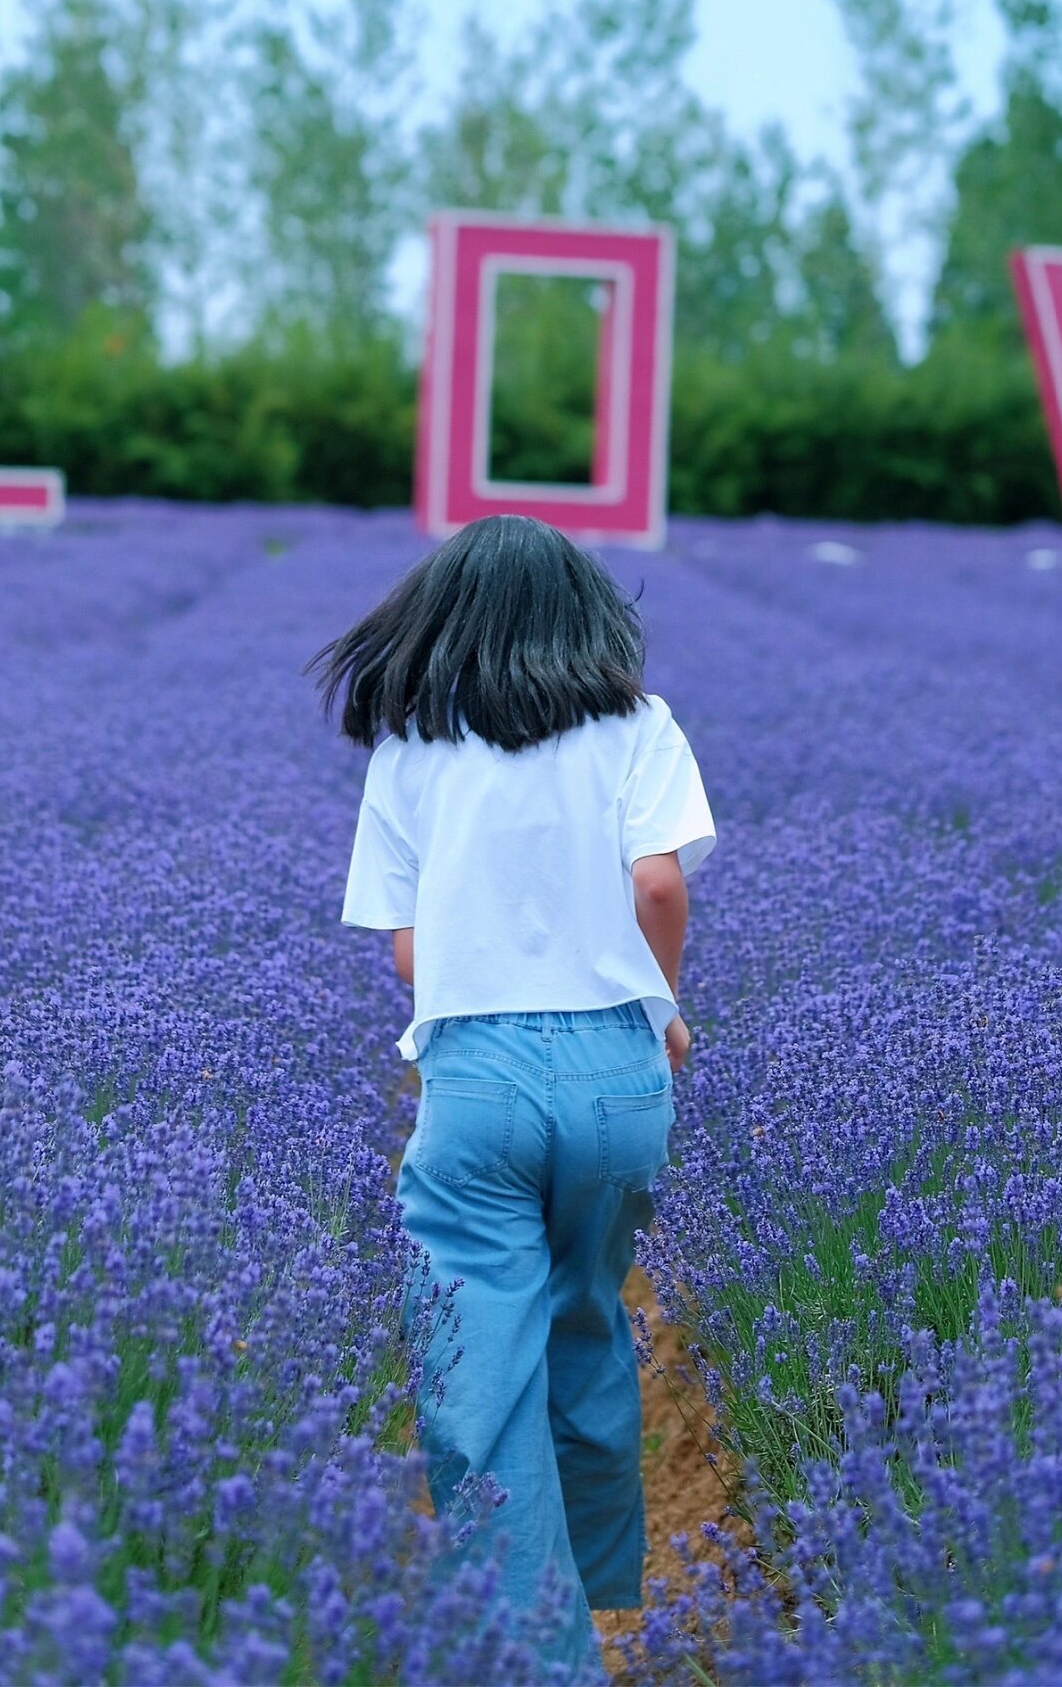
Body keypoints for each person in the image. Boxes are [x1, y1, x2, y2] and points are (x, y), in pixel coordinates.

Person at [313, 513, 716, 1678]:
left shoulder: (413, 750)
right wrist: (661, 1001)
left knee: (482, 1365)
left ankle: (540, 1658)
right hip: (620, 1078)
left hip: (481, 1075)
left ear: (439, 620)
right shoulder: (642, 728)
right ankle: (600, 1599)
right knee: (586, 1312)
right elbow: (657, 884)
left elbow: (405, 956)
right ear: (587, 617)